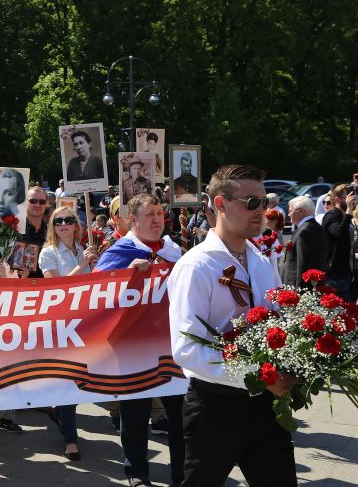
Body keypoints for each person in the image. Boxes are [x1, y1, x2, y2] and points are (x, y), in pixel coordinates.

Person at [168, 165, 297, 486]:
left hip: (265, 407)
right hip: (215, 408)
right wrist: (260, 376)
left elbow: (277, 319)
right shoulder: (196, 266)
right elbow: (187, 349)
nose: (262, 211)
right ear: (220, 204)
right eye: (251, 202)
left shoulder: (261, 259)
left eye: (264, 201)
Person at [94, 194, 185, 487]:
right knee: (135, 414)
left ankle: (182, 474)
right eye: (149, 215)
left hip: (172, 345)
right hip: (133, 346)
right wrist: (125, 274)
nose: (157, 219)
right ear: (133, 220)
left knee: (181, 416)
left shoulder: (174, 251)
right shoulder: (120, 251)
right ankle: (136, 472)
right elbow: (93, 290)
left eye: (159, 213)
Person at [39, 207, 97, 462]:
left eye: (68, 220)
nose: (63, 224)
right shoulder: (48, 253)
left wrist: (95, 264)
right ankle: (71, 440)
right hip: (61, 324)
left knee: (79, 377)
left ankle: (61, 415)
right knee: (68, 380)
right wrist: (84, 264)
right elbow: (56, 288)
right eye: (58, 220)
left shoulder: (87, 250)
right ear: (53, 226)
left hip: (87, 322)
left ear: (76, 225)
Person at [283, 195, 327, 288]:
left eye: (291, 211)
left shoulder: (306, 230)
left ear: (301, 211)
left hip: (297, 288)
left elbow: (304, 265)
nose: (288, 214)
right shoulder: (311, 227)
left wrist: (301, 293)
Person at [322, 184, 356, 301]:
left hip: (347, 273)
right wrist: (349, 212)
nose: (352, 199)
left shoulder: (344, 216)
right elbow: (338, 233)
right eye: (348, 196)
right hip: (335, 275)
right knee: (342, 314)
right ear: (337, 199)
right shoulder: (331, 215)